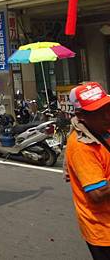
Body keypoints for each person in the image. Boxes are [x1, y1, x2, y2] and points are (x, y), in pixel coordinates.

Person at [65, 82, 110, 259]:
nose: (106, 115)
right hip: (104, 232)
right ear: (81, 115)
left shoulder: (103, 129)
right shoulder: (81, 146)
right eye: (98, 112)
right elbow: (97, 193)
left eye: (107, 107)